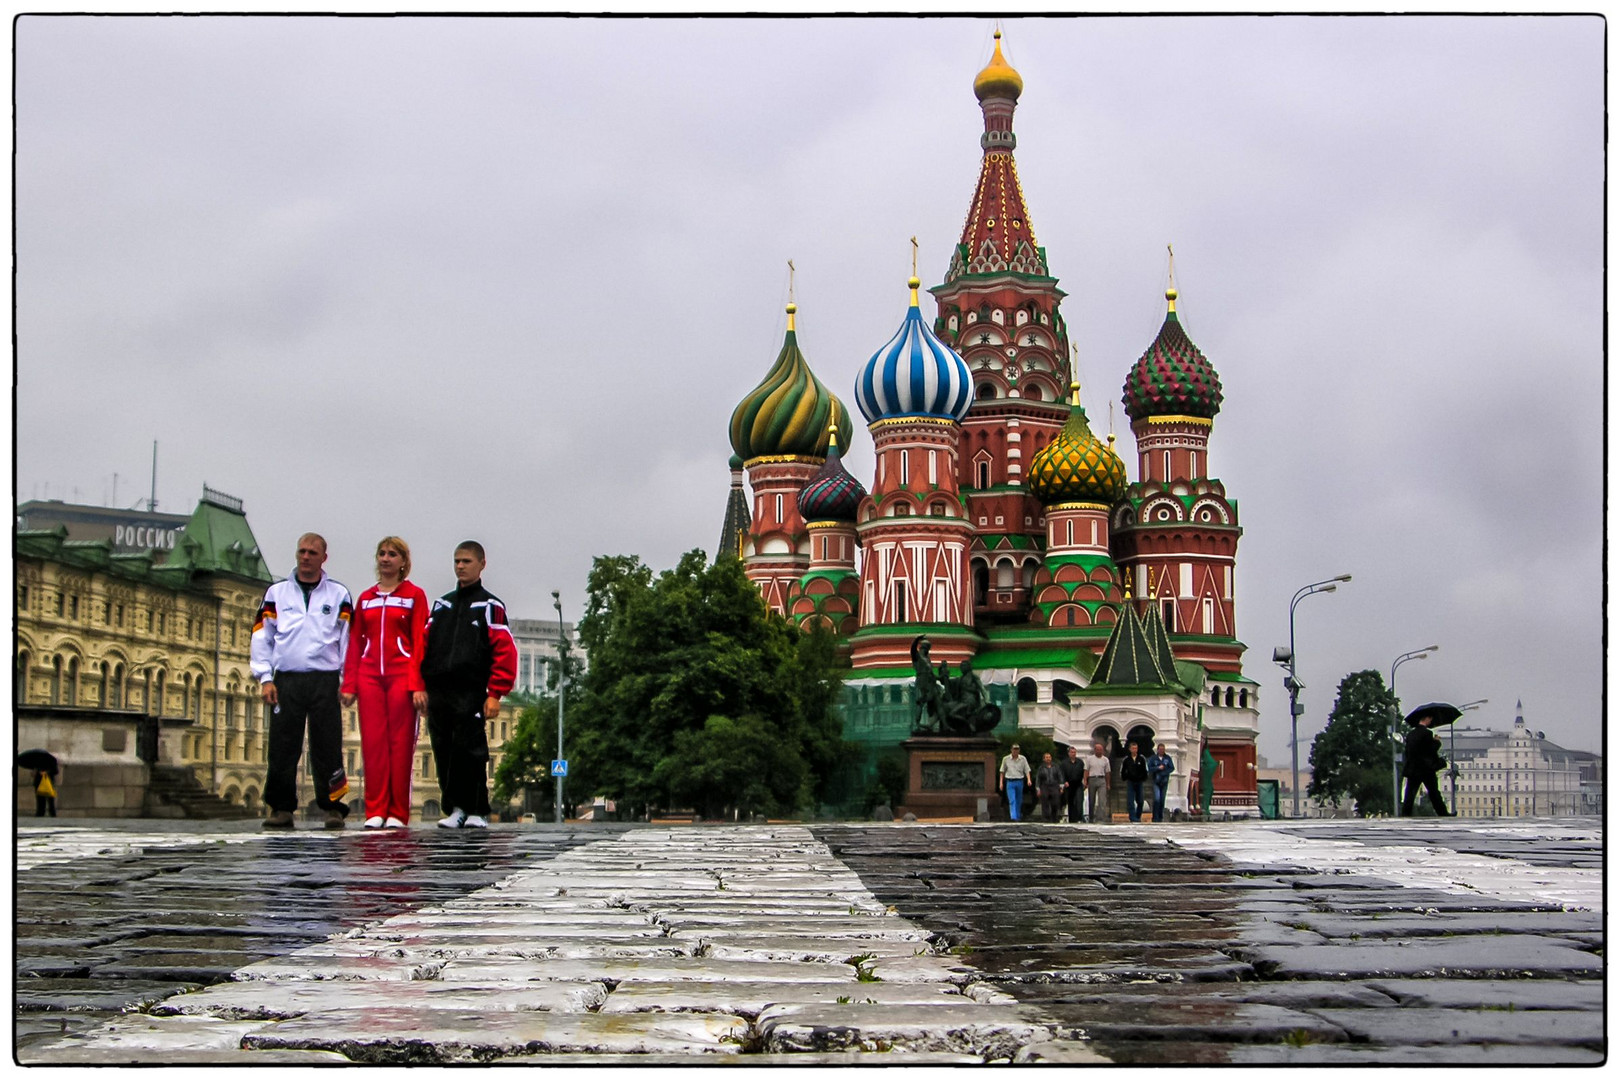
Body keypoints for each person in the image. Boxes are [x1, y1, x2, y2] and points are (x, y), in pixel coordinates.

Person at [251, 533, 354, 830]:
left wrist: (347, 682)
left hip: (325, 679)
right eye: (301, 551)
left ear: (324, 557)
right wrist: (265, 678)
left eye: (312, 552)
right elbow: (262, 636)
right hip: (287, 679)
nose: (305, 557)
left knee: (328, 745)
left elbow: (347, 641)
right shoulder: (277, 593)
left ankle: (333, 807)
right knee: (283, 745)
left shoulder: (338, 595)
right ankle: (281, 808)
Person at [420, 541, 516, 830]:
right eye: (457, 561)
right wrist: (421, 686)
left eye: (467, 561)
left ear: (481, 564)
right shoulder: (442, 605)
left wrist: (495, 693)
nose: (461, 566)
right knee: (443, 749)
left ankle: (477, 808)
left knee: (471, 750)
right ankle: (455, 807)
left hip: (471, 690)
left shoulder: (490, 606)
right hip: (439, 690)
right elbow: (424, 646)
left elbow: (504, 651)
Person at [341, 537, 430, 830]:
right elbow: (355, 642)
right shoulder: (366, 598)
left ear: (403, 562)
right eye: (382, 553)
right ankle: (375, 809)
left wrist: (418, 684)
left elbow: (420, 641)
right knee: (374, 744)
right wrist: (349, 683)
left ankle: (397, 811)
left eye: (393, 554)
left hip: (401, 676)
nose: (386, 558)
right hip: (369, 677)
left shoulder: (414, 596)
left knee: (400, 745)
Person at [1401, 715, 1451, 816]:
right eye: (1430, 719)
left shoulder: (1411, 734)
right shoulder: (1427, 733)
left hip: (1413, 769)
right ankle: (1443, 813)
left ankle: (1405, 814)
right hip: (1426, 769)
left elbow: (1408, 751)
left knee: (1410, 794)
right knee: (1434, 793)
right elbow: (1429, 750)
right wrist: (1436, 742)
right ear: (1426, 719)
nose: (1431, 721)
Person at [998, 743, 1031, 822]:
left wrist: (1029, 779)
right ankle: (1013, 816)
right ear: (1011, 750)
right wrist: (1001, 783)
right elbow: (1002, 771)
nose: (1015, 751)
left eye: (1017, 749)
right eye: (1014, 749)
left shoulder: (1023, 759)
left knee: (1019, 799)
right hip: (1010, 781)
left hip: (1019, 780)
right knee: (1012, 799)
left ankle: (1018, 815)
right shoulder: (1006, 759)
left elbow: (1027, 770)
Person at [1082, 741, 1111, 823]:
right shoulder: (1089, 759)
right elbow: (1086, 770)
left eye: (1101, 750)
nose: (1099, 751)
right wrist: (1085, 781)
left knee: (1102, 800)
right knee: (1091, 800)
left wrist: (1108, 783)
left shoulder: (1105, 760)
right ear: (1095, 750)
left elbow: (1108, 772)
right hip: (1092, 779)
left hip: (1102, 779)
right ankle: (1091, 817)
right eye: (1098, 750)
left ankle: (1100, 818)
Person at [1121, 742, 1149, 822]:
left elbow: (1145, 769)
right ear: (1130, 749)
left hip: (1139, 781)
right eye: (1133, 748)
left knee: (1140, 800)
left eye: (1136, 748)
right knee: (1130, 800)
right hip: (1130, 781)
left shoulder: (1141, 758)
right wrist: (1125, 777)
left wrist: (1143, 778)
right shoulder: (1126, 760)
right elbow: (1123, 770)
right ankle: (1132, 817)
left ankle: (1138, 815)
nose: (1134, 750)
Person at [1147, 742, 1175, 823]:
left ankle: (1160, 816)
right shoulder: (1153, 758)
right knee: (1157, 799)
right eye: (1160, 749)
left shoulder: (1167, 758)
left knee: (1162, 799)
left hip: (1164, 781)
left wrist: (1165, 771)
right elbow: (1149, 768)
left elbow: (1171, 768)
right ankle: (1155, 816)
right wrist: (1158, 768)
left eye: (1163, 749)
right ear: (1158, 750)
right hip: (1156, 781)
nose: (1162, 751)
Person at [1059, 745, 1086, 824]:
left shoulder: (1080, 762)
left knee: (1079, 801)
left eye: (1074, 752)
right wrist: (1064, 782)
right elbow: (1061, 773)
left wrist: (1085, 781)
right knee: (1071, 802)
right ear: (1068, 753)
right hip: (1069, 784)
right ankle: (1072, 819)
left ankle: (1079, 818)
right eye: (1072, 752)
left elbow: (1084, 772)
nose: (1073, 754)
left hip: (1078, 784)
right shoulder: (1064, 763)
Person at [1035, 752, 1064, 823]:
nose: (1048, 759)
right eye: (1046, 757)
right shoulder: (1041, 768)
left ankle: (1054, 817)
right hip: (1045, 785)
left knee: (1055, 802)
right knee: (1044, 801)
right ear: (1044, 759)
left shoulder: (1056, 766)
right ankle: (1046, 818)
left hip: (1054, 785)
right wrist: (1038, 789)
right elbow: (1038, 778)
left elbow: (1060, 776)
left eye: (1049, 757)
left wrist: (1061, 786)